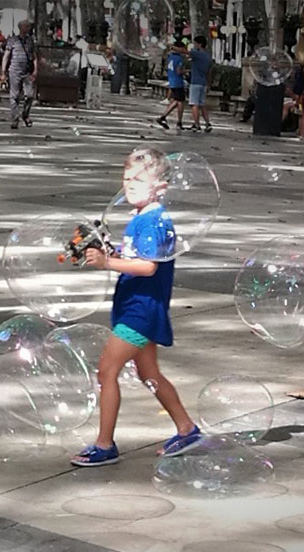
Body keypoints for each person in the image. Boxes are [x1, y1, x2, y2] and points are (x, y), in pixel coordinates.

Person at [70, 147, 201, 467]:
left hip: (140, 311)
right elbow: (137, 259)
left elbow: (148, 267)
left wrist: (107, 262)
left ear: (161, 186)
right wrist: (108, 250)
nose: (129, 184)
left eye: (139, 179)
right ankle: (187, 429)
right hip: (137, 305)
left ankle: (105, 444)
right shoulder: (143, 216)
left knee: (106, 371)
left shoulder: (153, 221)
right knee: (149, 372)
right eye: (127, 177)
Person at [2, 20, 38, 130]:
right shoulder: (12, 40)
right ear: (21, 28)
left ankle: (25, 114)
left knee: (29, 95)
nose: (28, 28)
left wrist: (35, 70)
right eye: (26, 26)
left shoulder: (30, 41)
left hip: (26, 72)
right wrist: (3, 71)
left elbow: (34, 56)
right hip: (14, 71)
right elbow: (6, 56)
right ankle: (15, 119)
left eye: (29, 26)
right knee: (14, 96)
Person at [155, 43, 187, 130]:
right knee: (181, 102)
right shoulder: (179, 59)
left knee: (176, 101)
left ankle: (163, 117)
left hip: (172, 81)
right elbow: (178, 71)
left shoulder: (170, 58)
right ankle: (179, 122)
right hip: (178, 82)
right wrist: (186, 71)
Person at [186, 36, 212, 133]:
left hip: (195, 82)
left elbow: (185, 51)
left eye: (195, 43)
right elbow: (209, 72)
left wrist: (172, 47)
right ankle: (207, 123)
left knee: (194, 104)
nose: (195, 45)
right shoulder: (208, 57)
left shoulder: (197, 54)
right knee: (202, 104)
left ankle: (196, 124)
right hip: (203, 83)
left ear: (199, 44)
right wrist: (209, 84)